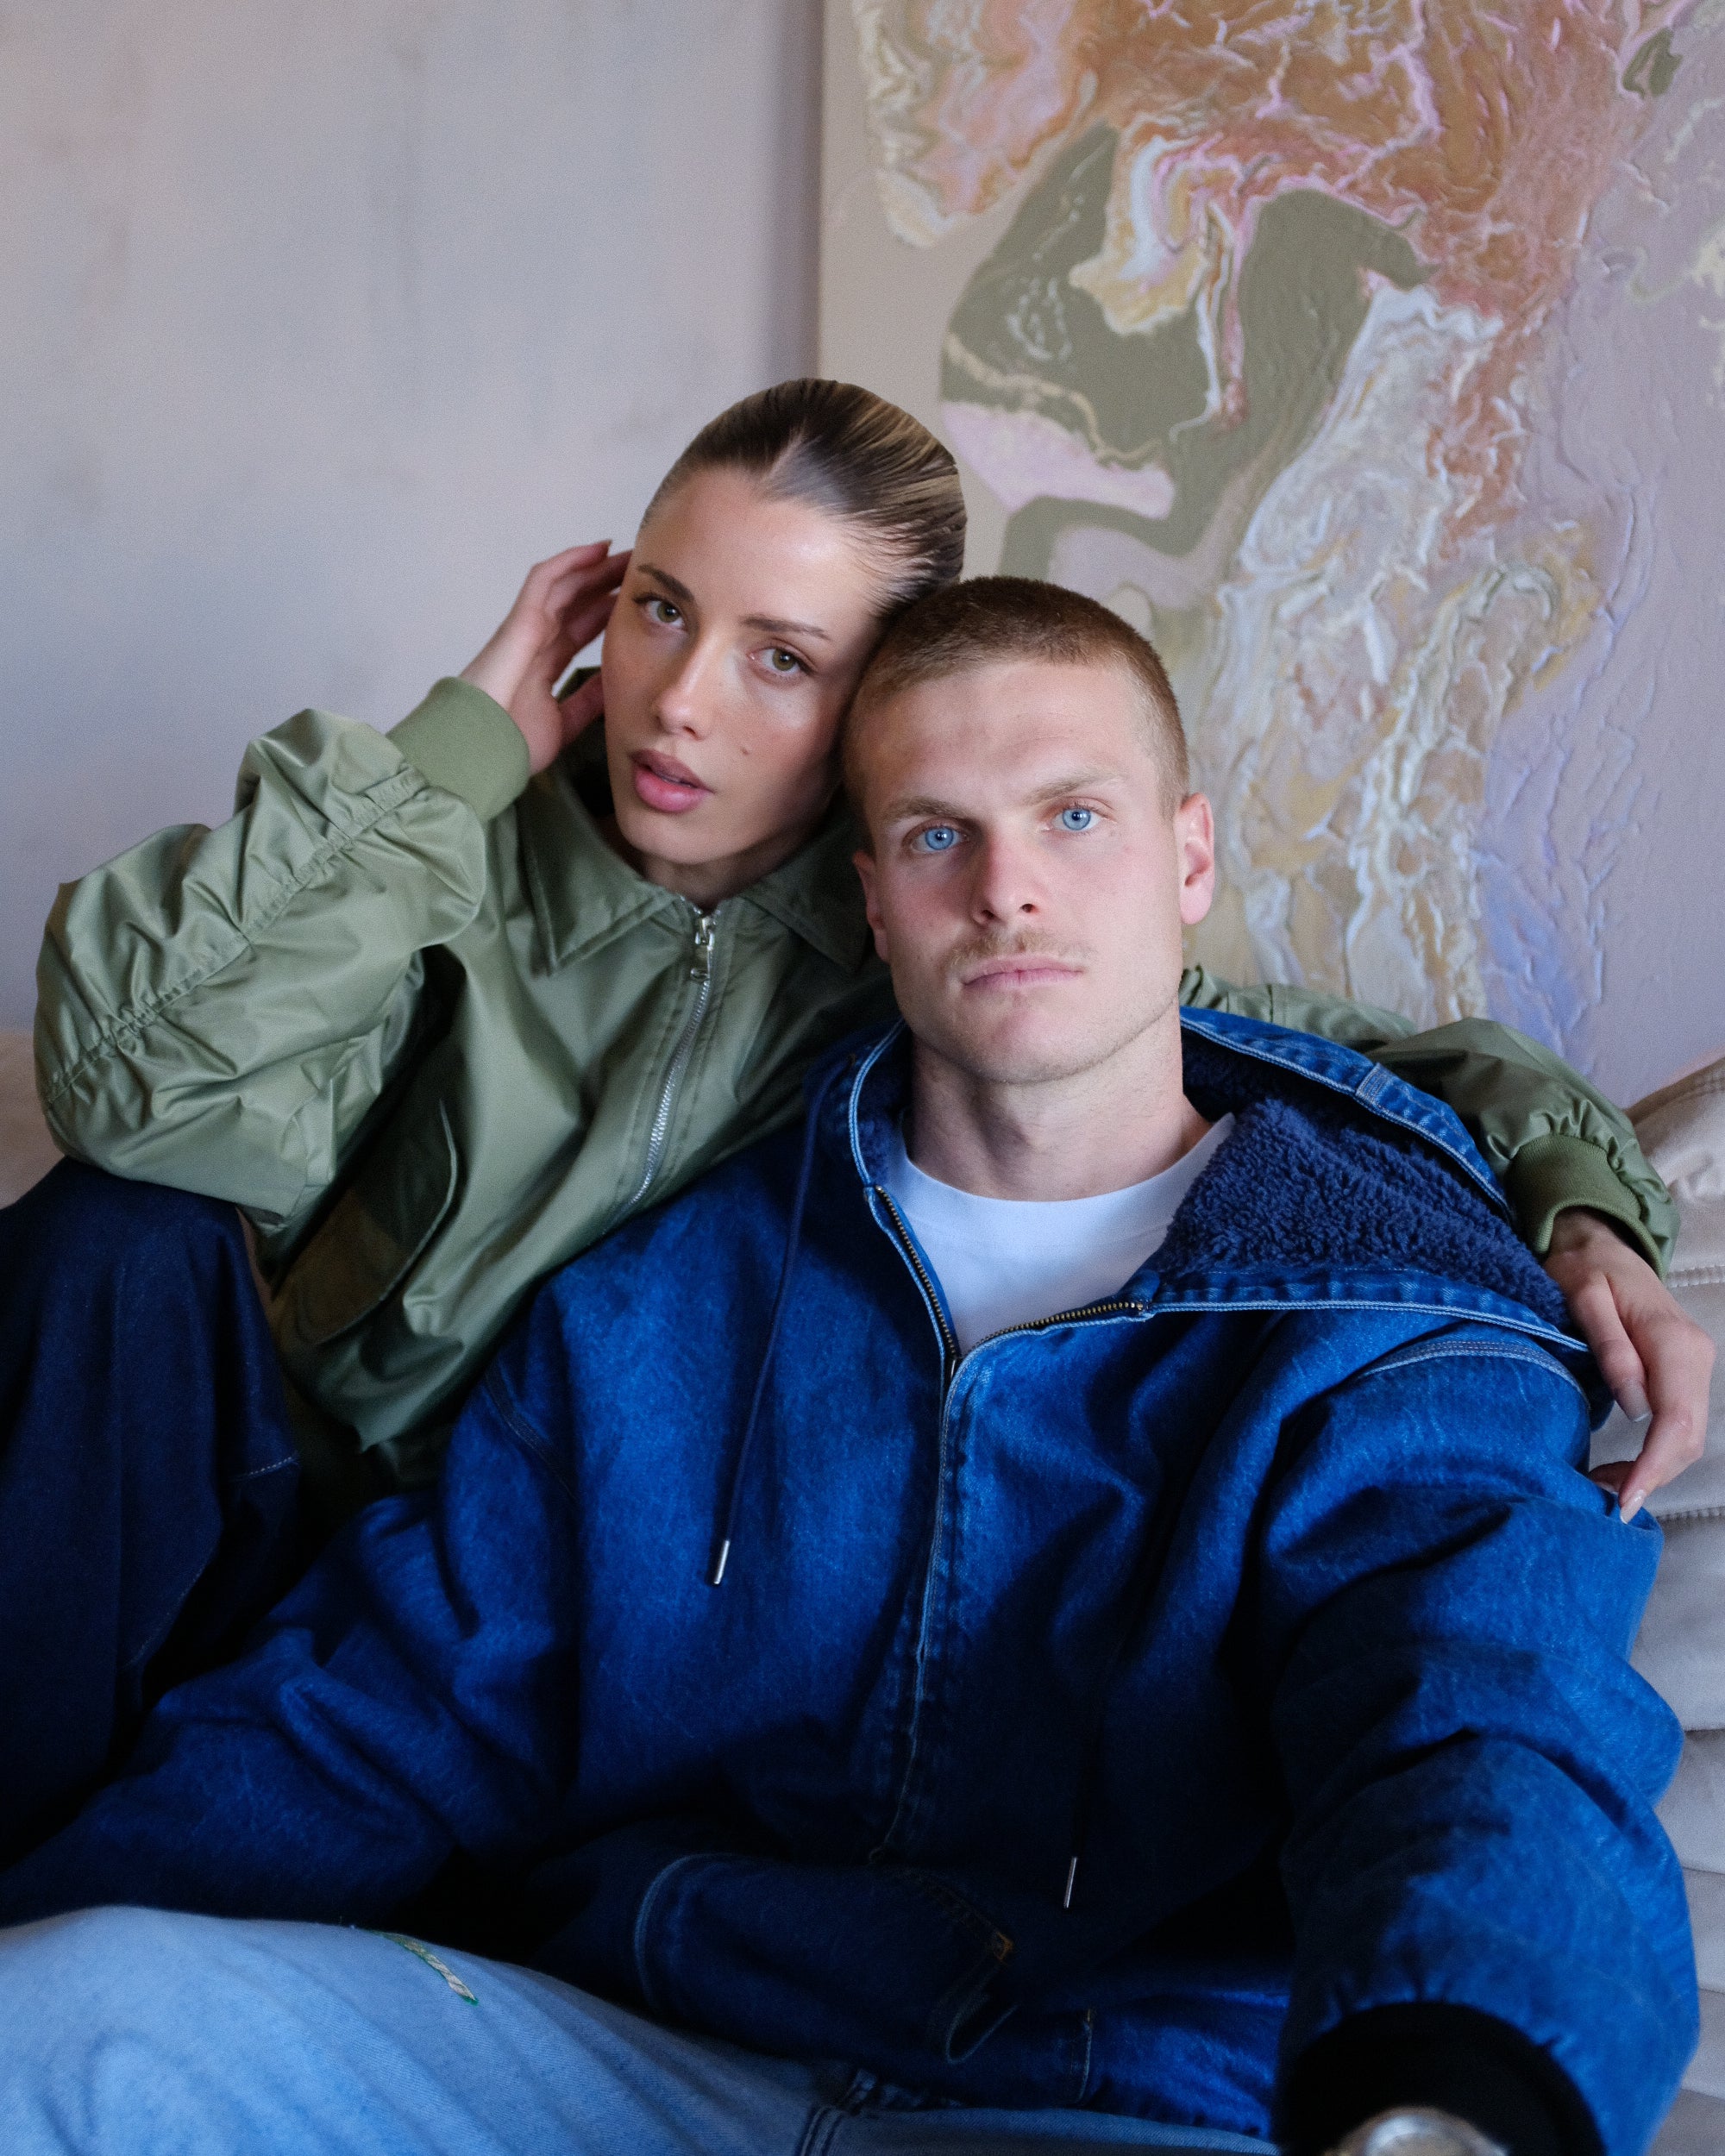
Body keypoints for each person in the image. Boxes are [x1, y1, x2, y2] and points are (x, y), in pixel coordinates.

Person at [0, 580, 1696, 2156]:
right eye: (939, 833)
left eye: (1073, 817)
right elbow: (387, 1716)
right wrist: (55, 1919)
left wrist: (1449, 2090)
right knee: (67, 2018)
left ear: (1187, 858)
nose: (1006, 887)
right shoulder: (665, 1299)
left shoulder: (1394, 1313)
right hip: (651, 2057)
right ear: (871, 895)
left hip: (1118, 2095)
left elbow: (1481, 1723)